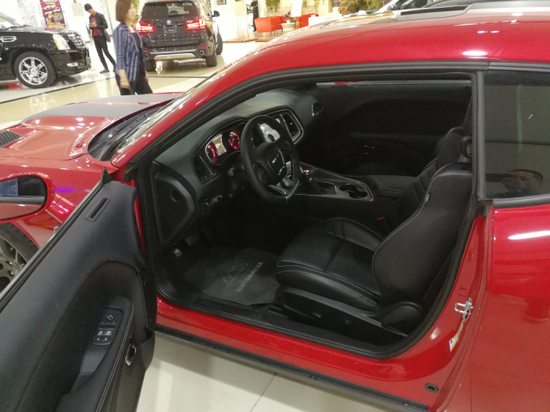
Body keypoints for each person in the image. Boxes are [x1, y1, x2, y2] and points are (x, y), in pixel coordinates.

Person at [113, 0, 152, 95]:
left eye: (133, 7)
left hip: (138, 72)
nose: (133, 11)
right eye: (129, 8)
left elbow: (139, 54)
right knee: (130, 102)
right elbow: (120, 56)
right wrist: (123, 78)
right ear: (122, 11)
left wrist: (144, 73)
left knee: (149, 98)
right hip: (126, 74)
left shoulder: (134, 29)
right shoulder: (119, 31)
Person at [84, 3, 116, 73]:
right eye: (88, 12)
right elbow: (91, 27)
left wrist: (96, 26)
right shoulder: (90, 17)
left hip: (101, 36)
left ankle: (115, 65)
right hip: (95, 37)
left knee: (106, 52)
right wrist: (91, 26)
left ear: (92, 8)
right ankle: (106, 68)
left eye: (89, 11)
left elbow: (106, 26)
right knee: (99, 54)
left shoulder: (100, 15)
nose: (89, 12)